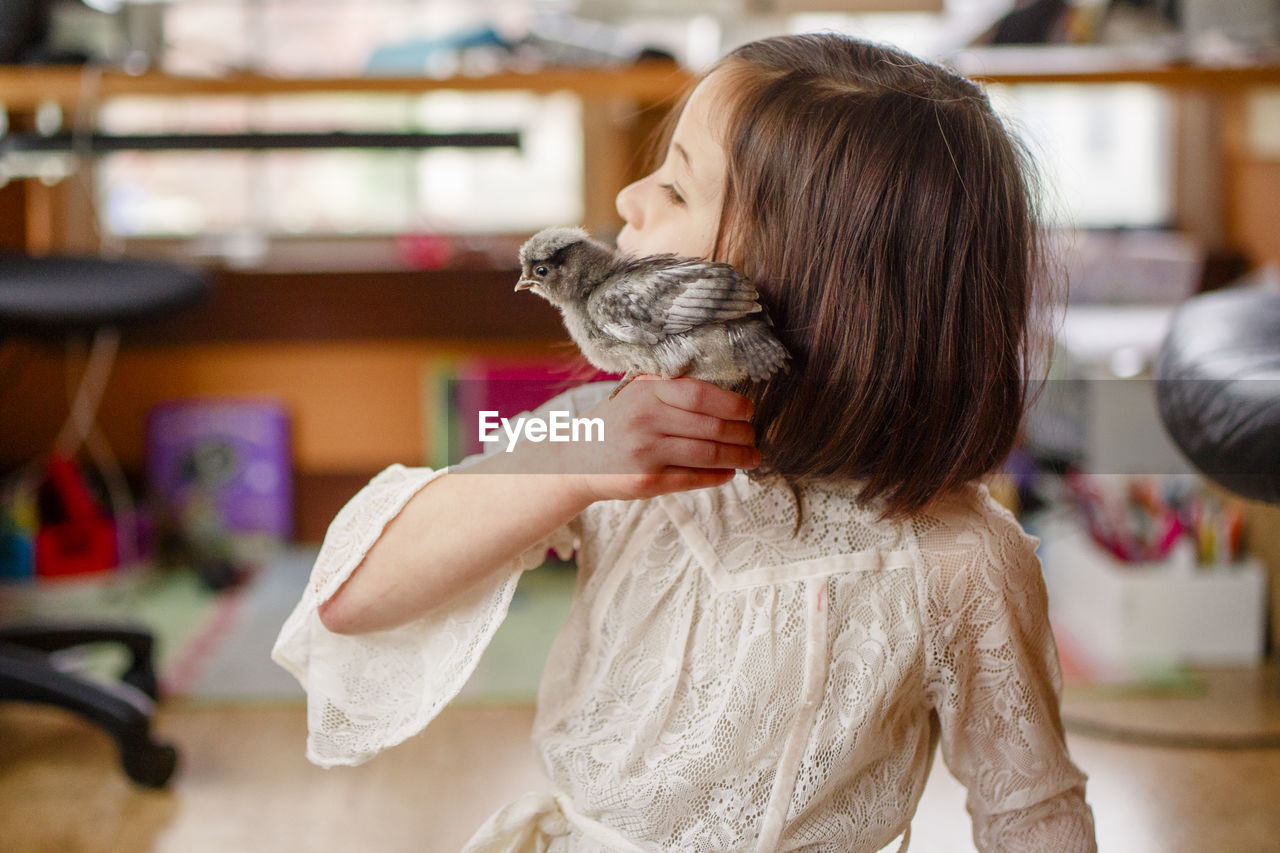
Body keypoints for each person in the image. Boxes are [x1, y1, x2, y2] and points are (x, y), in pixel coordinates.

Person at [273, 32, 1097, 852]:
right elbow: (350, 599)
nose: (630, 197)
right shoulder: (604, 434)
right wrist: (566, 462)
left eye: (674, 186)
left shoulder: (964, 560)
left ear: (810, 277)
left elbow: (1030, 810)